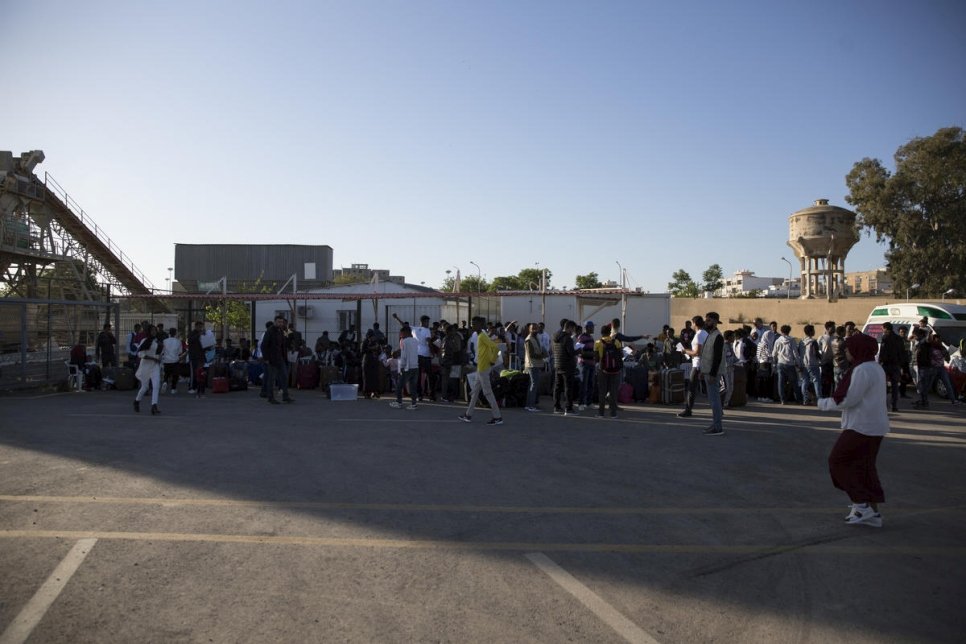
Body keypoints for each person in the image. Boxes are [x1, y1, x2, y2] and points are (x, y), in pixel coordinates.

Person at [818, 332, 890, 528]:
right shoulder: (875, 367)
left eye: (849, 348)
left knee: (837, 461)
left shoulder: (862, 370)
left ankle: (861, 506)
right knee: (864, 468)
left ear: (858, 349)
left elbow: (850, 398)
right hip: (874, 426)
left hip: (862, 426)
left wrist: (824, 403)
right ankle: (873, 514)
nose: (846, 352)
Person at [458, 317, 504, 425]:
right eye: (472, 324)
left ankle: (497, 417)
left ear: (480, 325)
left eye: (474, 324)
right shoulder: (479, 336)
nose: (472, 326)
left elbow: (496, 348)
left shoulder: (483, 336)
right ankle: (468, 415)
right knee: (475, 392)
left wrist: (492, 360)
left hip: (484, 368)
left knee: (487, 392)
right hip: (481, 367)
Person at [700, 312, 725, 435]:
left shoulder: (718, 337)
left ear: (715, 322)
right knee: (713, 400)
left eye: (709, 320)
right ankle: (716, 424)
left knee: (715, 400)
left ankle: (718, 427)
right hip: (707, 372)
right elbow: (706, 355)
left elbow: (717, 357)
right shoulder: (710, 335)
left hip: (712, 374)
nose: (706, 322)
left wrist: (712, 374)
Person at [678, 316, 707, 417]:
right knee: (705, 388)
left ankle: (688, 410)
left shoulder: (699, 335)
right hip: (702, 364)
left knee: (691, 388)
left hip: (697, 365)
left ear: (694, 323)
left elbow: (697, 352)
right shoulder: (705, 333)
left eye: (692, 323)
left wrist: (685, 351)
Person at [261, 315, 294, 404]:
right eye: (279, 322)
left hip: (281, 358)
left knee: (284, 376)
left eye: (282, 322)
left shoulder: (281, 330)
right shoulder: (270, 331)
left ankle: (285, 396)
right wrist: (266, 358)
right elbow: (264, 346)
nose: (280, 323)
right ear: (275, 322)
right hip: (272, 359)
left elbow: (288, 338)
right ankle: (270, 397)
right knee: (271, 379)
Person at [595, 323, 623, 418]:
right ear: (609, 332)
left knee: (602, 392)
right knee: (613, 392)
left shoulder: (598, 342)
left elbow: (596, 358)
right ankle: (613, 414)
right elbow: (620, 355)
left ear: (601, 333)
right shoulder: (616, 342)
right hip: (615, 371)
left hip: (602, 370)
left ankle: (601, 413)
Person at [133, 323, 163, 415]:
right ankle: (137, 401)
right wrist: (152, 358)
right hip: (145, 366)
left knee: (156, 385)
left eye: (155, 330)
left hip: (155, 366)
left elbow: (159, 354)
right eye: (152, 330)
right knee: (145, 387)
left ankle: (154, 405)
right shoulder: (145, 341)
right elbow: (140, 354)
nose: (154, 332)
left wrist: (159, 358)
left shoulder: (157, 341)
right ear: (149, 332)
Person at [877, 322, 905, 413]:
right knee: (895, 386)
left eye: (883, 329)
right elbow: (902, 352)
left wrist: (880, 362)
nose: (882, 330)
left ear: (886, 328)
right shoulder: (899, 338)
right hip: (896, 365)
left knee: (883, 386)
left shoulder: (885, 337)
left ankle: (883, 405)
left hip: (886, 364)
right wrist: (901, 364)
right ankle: (894, 405)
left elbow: (882, 352)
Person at [552, 319, 577, 415]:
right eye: (573, 329)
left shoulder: (555, 336)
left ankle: (556, 407)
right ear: (569, 328)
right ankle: (568, 408)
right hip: (567, 366)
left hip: (557, 364)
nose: (573, 331)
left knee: (557, 387)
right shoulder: (567, 338)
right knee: (568, 387)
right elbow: (571, 353)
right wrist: (578, 351)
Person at [390, 327, 419, 409]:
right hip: (415, 366)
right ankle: (414, 404)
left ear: (405, 333)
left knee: (399, 385)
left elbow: (403, 355)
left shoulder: (404, 341)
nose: (400, 335)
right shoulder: (415, 341)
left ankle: (399, 402)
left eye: (401, 334)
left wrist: (401, 367)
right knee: (413, 386)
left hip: (406, 367)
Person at [773, 324, 801, 405]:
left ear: (781, 331)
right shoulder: (792, 340)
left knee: (781, 382)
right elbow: (795, 353)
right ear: (789, 331)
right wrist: (798, 364)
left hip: (780, 363)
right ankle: (798, 399)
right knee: (794, 382)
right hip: (790, 364)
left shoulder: (777, 341)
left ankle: (782, 400)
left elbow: (774, 353)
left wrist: (774, 363)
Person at [524, 322, 547, 412]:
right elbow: (531, 354)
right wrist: (542, 355)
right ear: (529, 329)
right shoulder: (529, 339)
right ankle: (530, 405)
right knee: (534, 385)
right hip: (532, 364)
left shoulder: (536, 338)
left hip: (536, 364)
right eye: (533, 328)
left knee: (533, 385)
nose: (535, 330)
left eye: (536, 328)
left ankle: (529, 404)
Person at [799, 324, 823, 405]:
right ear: (810, 332)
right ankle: (819, 400)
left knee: (804, 382)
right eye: (813, 330)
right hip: (813, 364)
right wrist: (821, 358)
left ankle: (805, 400)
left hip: (804, 364)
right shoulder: (813, 342)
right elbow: (815, 353)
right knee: (816, 382)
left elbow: (800, 353)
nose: (814, 332)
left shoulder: (801, 342)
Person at [575, 321, 596, 411]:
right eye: (592, 327)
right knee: (584, 384)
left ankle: (589, 402)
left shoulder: (591, 337)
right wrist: (591, 354)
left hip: (592, 364)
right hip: (584, 364)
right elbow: (579, 350)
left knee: (591, 384)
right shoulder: (581, 337)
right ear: (587, 327)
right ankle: (580, 403)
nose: (593, 329)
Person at [161, 327, 184, 395]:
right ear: (175, 333)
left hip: (166, 360)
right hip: (175, 360)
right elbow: (180, 352)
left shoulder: (165, 341)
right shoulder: (178, 341)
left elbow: (162, 351)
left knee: (166, 374)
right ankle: (173, 389)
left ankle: (165, 382)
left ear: (169, 333)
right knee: (175, 375)